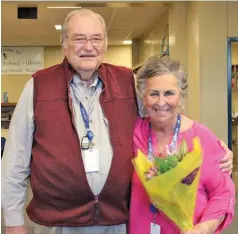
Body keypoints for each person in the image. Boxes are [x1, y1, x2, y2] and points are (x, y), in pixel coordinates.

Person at [1, 9, 233, 234]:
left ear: (105, 43)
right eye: (79, 38)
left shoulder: (126, 80)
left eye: (96, 38)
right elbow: (14, 160)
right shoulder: (39, 86)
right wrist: (12, 222)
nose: (88, 46)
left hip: (118, 221)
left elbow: (161, 111)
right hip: (56, 224)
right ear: (64, 43)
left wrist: (210, 146)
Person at [129, 55, 236, 234]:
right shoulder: (136, 132)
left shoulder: (201, 139)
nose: (161, 102)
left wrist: (205, 227)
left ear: (181, 96)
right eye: (154, 93)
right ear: (144, 97)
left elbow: (223, 193)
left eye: (169, 93)